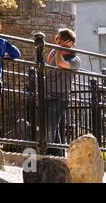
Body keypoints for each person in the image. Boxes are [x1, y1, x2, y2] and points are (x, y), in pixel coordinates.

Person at [45, 28, 81, 156]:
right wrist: (58, 48)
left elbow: (60, 63)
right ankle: (59, 157)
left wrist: (59, 48)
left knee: (50, 128)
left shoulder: (75, 59)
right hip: (48, 94)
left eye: (58, 39)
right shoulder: (56, 51)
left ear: (68, 42)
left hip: (60, 98)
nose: (55, 41)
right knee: (53, 128)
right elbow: (49, 61)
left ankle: (48, 155)